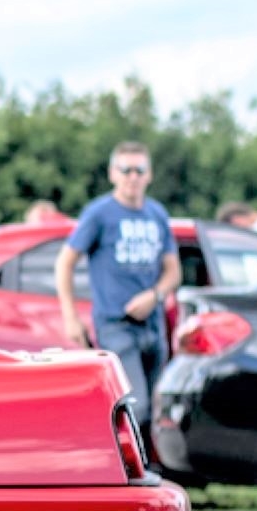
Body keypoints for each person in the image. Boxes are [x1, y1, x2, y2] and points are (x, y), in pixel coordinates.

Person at [57, 142, 181, 426]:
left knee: (157, 410)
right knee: (135, 407)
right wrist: (70, 317)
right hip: (116, 325)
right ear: (113, 173)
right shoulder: (99, 213)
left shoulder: (157, 214)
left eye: (139, 170)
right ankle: (128, 471)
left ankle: (150, 468)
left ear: (149, 175)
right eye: (126, 170)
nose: (133, 177)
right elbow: (65, 262)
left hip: (153, 324)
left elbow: (173, 273)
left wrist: (155, 295)